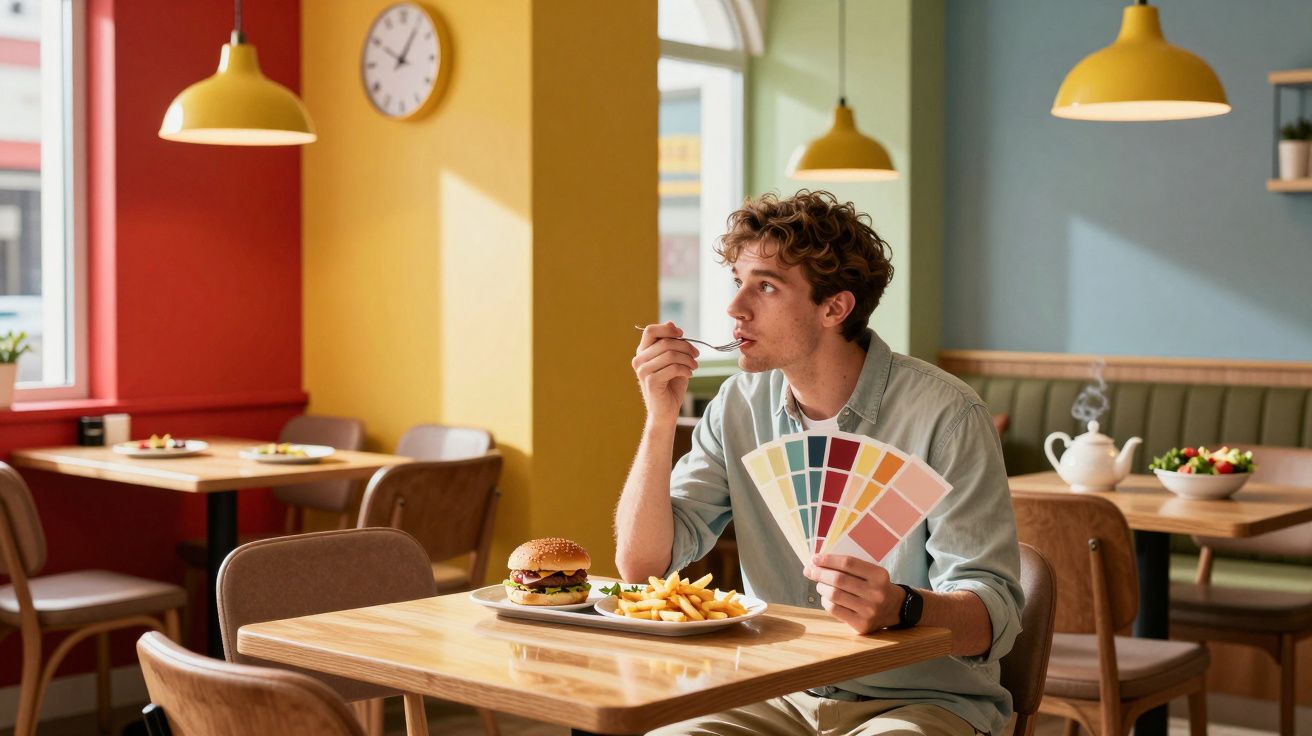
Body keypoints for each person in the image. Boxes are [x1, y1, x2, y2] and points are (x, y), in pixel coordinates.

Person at [615, 190, 1023, 736]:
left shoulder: (947, 416)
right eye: (738, 281)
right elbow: (642, 568)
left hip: (920, 702)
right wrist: (659, 418)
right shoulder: (737, 406)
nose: (735, 307)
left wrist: (902, 607)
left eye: (765, 286)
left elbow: (991, 621)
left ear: (835, 308)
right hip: (776, 692)